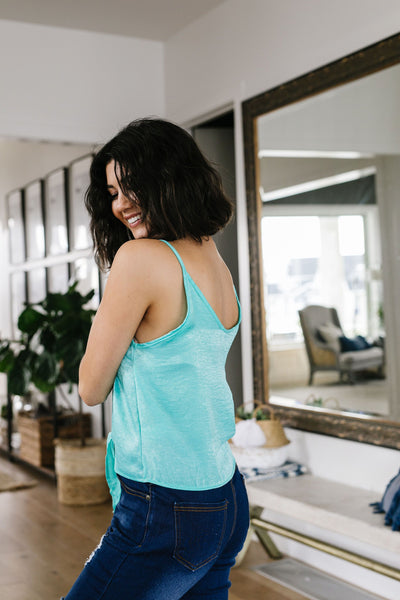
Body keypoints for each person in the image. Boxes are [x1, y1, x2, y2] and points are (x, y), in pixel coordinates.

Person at [62, 118, 249, 600]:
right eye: (111, 193)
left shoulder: (140, 260)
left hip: (164, 505)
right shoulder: (212, 259)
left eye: (131, 188)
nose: (120, 205)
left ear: (168, 179)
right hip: (224, 495)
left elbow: (90, 387)